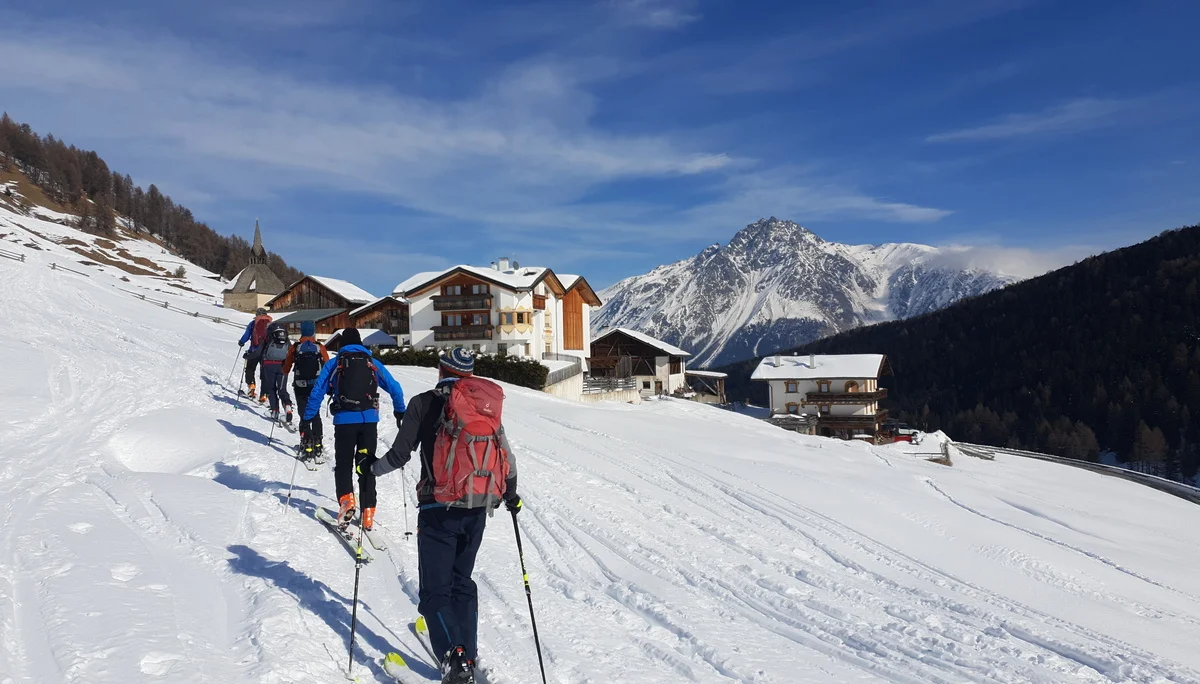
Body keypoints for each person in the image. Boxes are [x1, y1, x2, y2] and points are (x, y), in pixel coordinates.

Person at [372, 347, 521, 684]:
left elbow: (398, 456)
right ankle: (466, 651)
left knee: (434, 592)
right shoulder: (484, 406)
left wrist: (369, 470)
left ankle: (454, 662)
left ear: (441, 369)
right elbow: (506, 456)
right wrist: (511, 495)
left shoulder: (424, 403)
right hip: (478, 506)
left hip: (438, 509)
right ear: (469, 374)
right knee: (462, 582)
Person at [303, 328, 405, 532]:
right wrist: (399, 410)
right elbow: (394, 387)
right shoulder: (372, 363)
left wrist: (307, 418)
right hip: (369, 421)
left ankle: (347, 501)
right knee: (366, 463)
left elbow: (317, 392)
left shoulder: (335, 363)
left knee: (343, 464)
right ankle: (368, 512)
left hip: (344, 421)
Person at [283, 320, 330, 460]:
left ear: (302, 331)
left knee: (304, 413)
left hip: (300, 385)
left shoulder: (296, 347)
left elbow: (286, 368)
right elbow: (327, 365)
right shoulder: (319, 347)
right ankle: (318, 444)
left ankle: (307, 443)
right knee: (315, 413)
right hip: (316, 386)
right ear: (313, 331)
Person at [260, 323, 295, 423]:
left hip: (269, 365)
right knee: (282, 389)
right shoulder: (286, 340)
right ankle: (287, 406)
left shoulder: (268, 337)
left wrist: (248, 356)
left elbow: (259, 351)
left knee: (271, 388)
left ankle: (275, 411)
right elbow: (292, 352)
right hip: (283, 366)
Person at [237, 308, 272, 402]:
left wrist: (241, 342)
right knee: (264, 372)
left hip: (254, 351)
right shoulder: (270, 324)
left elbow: (247, 335)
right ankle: (264, 395)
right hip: (267, 352)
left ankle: (251, 386)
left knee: (250, 368)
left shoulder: (253, 323)